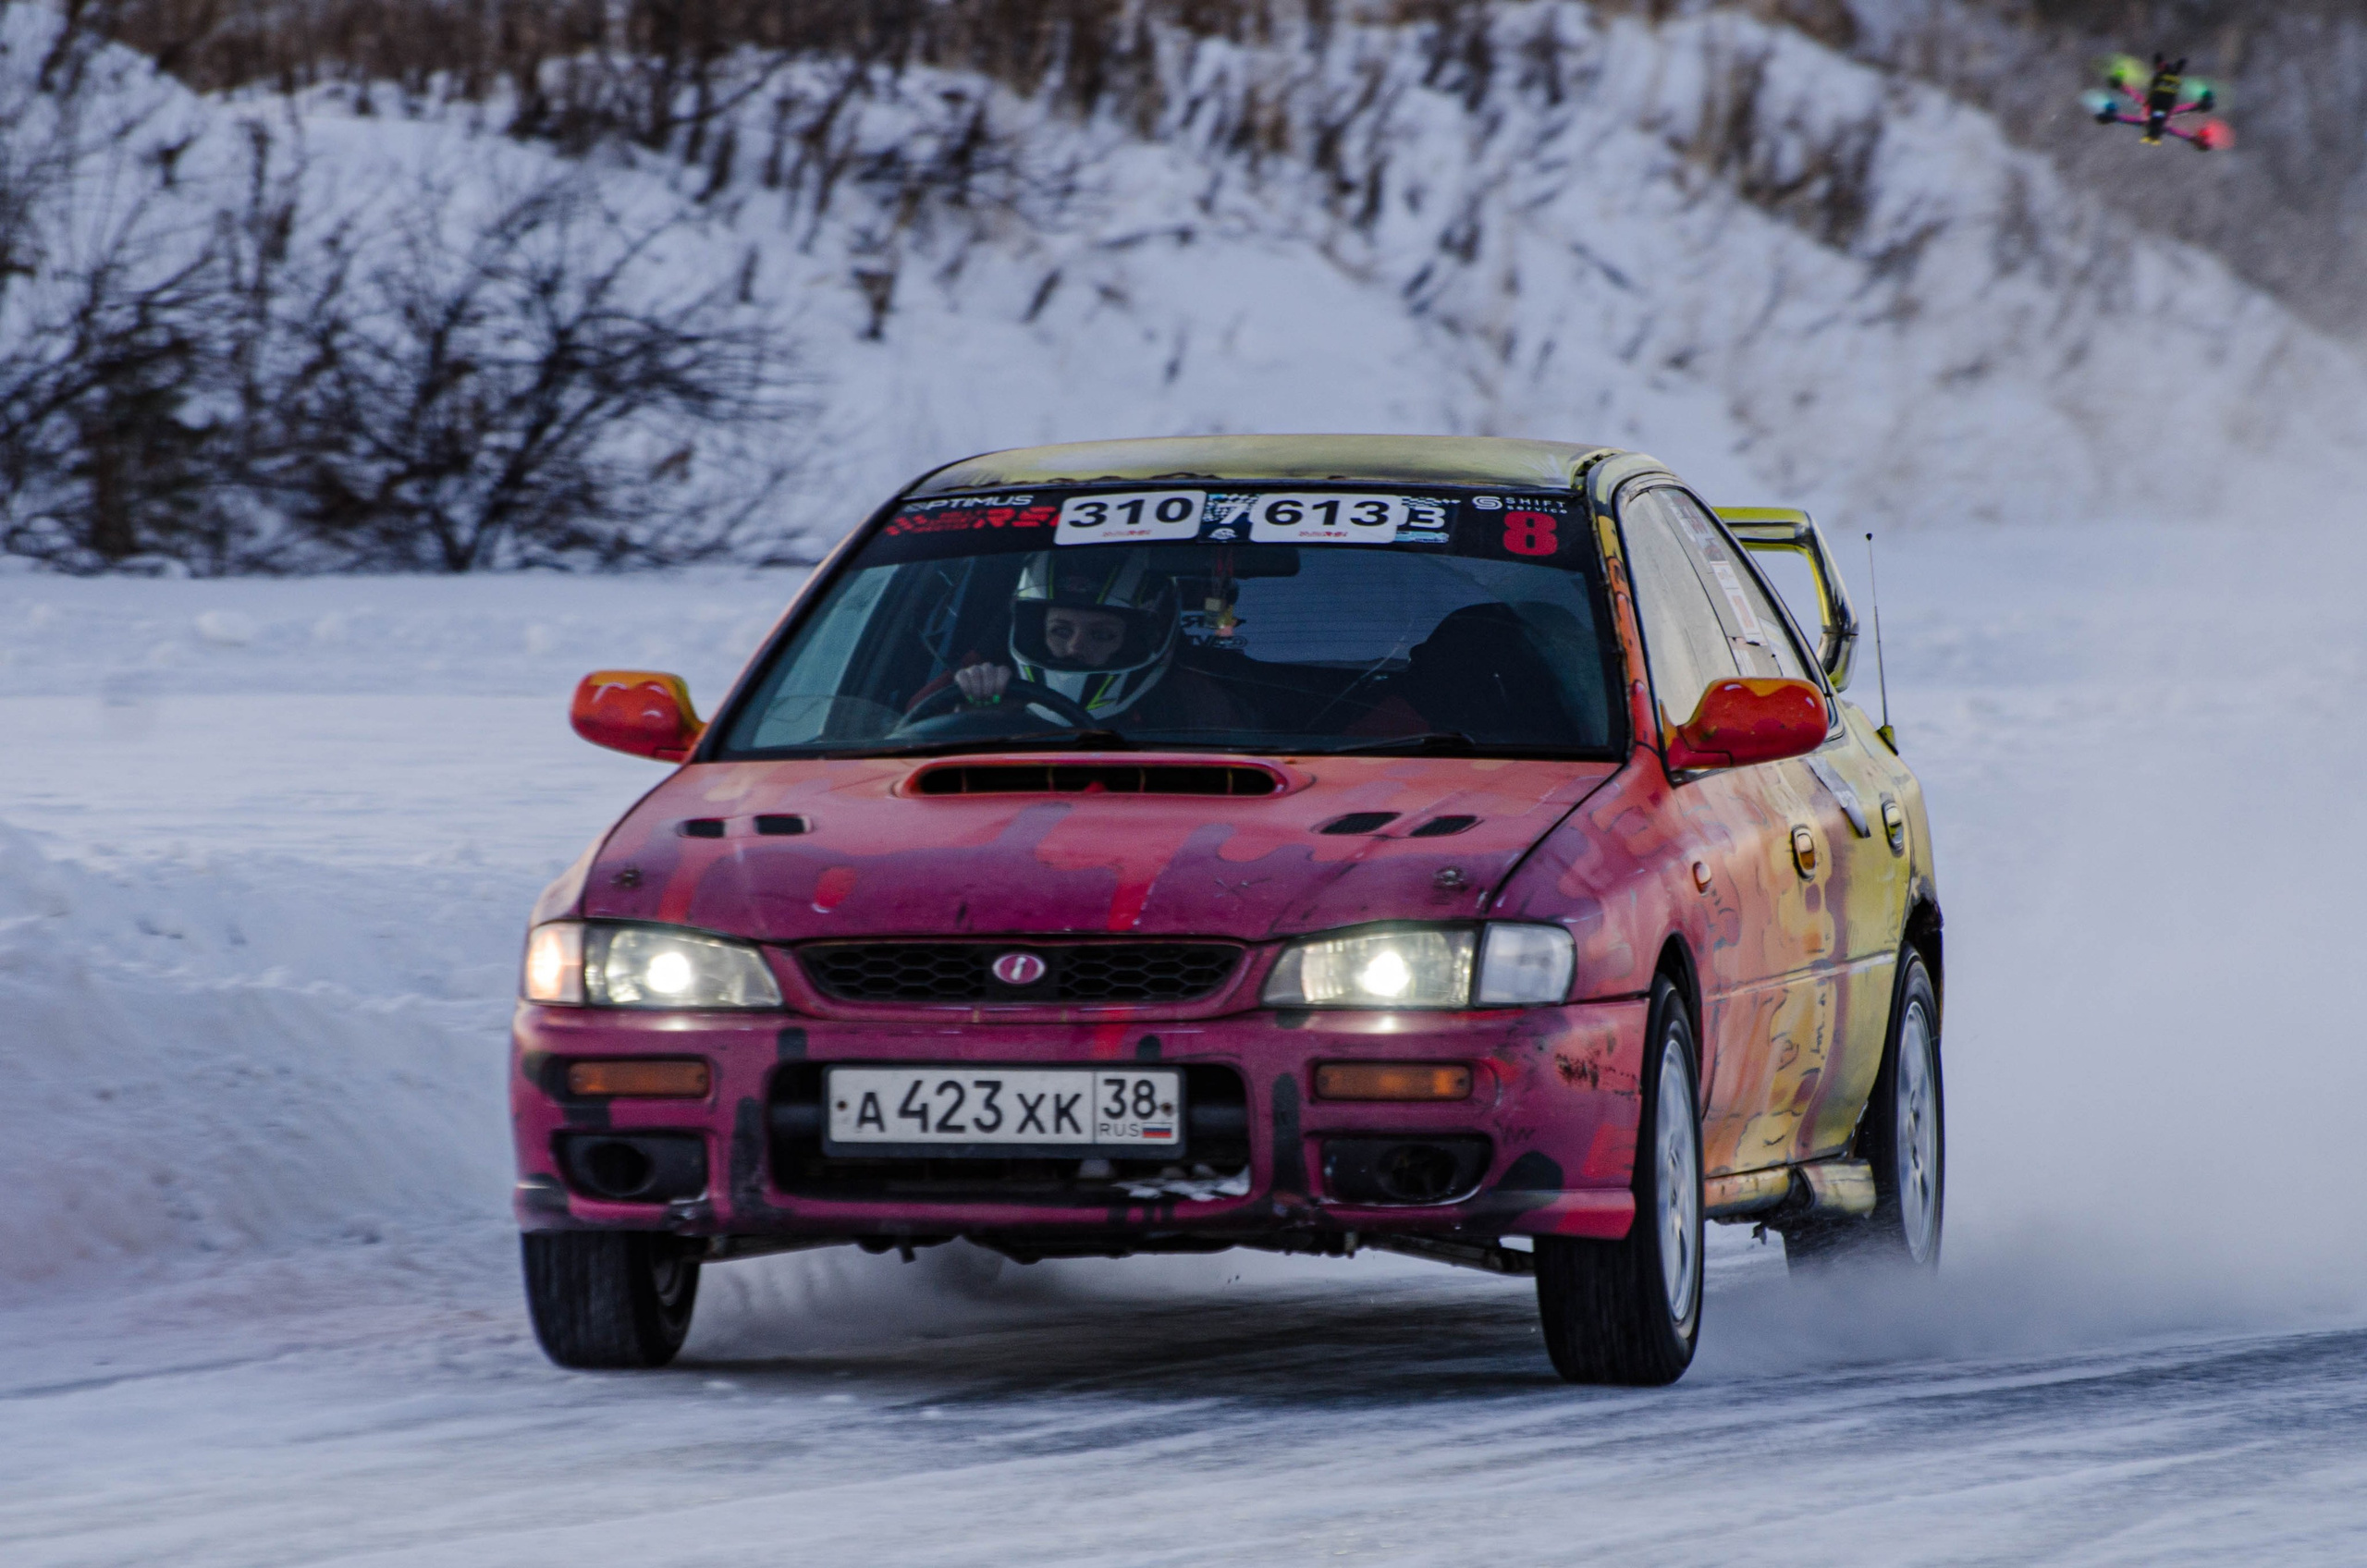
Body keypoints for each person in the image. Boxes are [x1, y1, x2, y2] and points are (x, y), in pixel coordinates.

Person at [936, 550, 1245, 733]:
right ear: (1038, 633)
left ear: (1134, 641)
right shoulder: (1000, 690)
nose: (1075, 648)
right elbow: (916, 732)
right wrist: (979, 708)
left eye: (1101, 634)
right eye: (1060, 631)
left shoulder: (1195, 705)